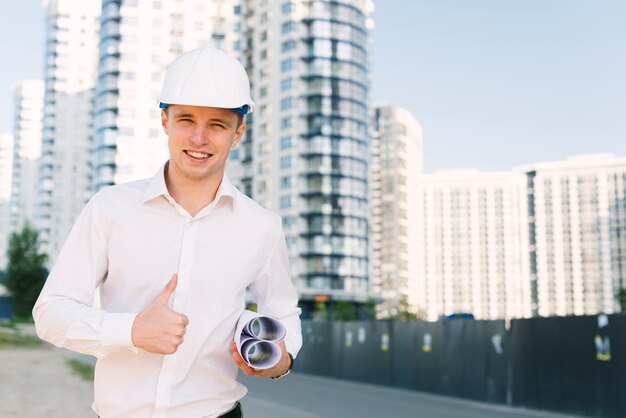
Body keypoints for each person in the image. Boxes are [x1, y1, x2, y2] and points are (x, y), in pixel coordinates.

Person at [33, 45, 302, 418]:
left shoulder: (262, 227)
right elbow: (50, 314)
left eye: (217, 125)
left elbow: (284, 312)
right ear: (165, 122)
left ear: (238, 133)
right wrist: (130, 332)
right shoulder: (110, 208)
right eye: (186, 120)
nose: (198, 139)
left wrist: (280, 363)